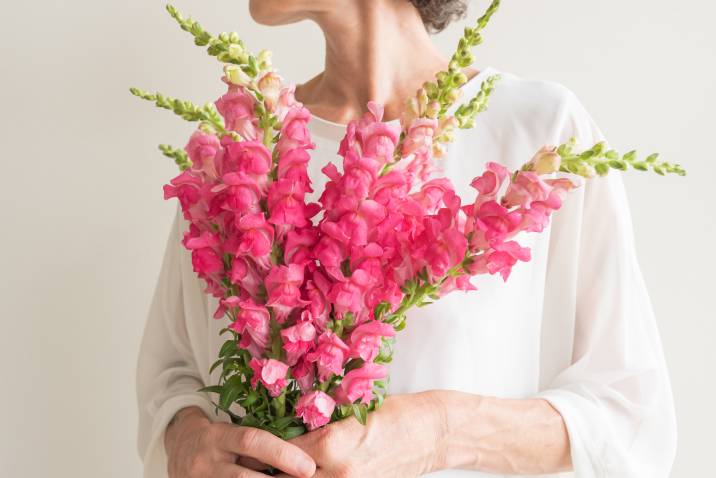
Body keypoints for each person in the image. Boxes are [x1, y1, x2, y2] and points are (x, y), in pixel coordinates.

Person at [136, 1, 677, 476]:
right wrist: (187, 443)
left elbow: (631, 417)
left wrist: (440, 431)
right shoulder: (245, 150)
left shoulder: (540, 133)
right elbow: (173, 374)